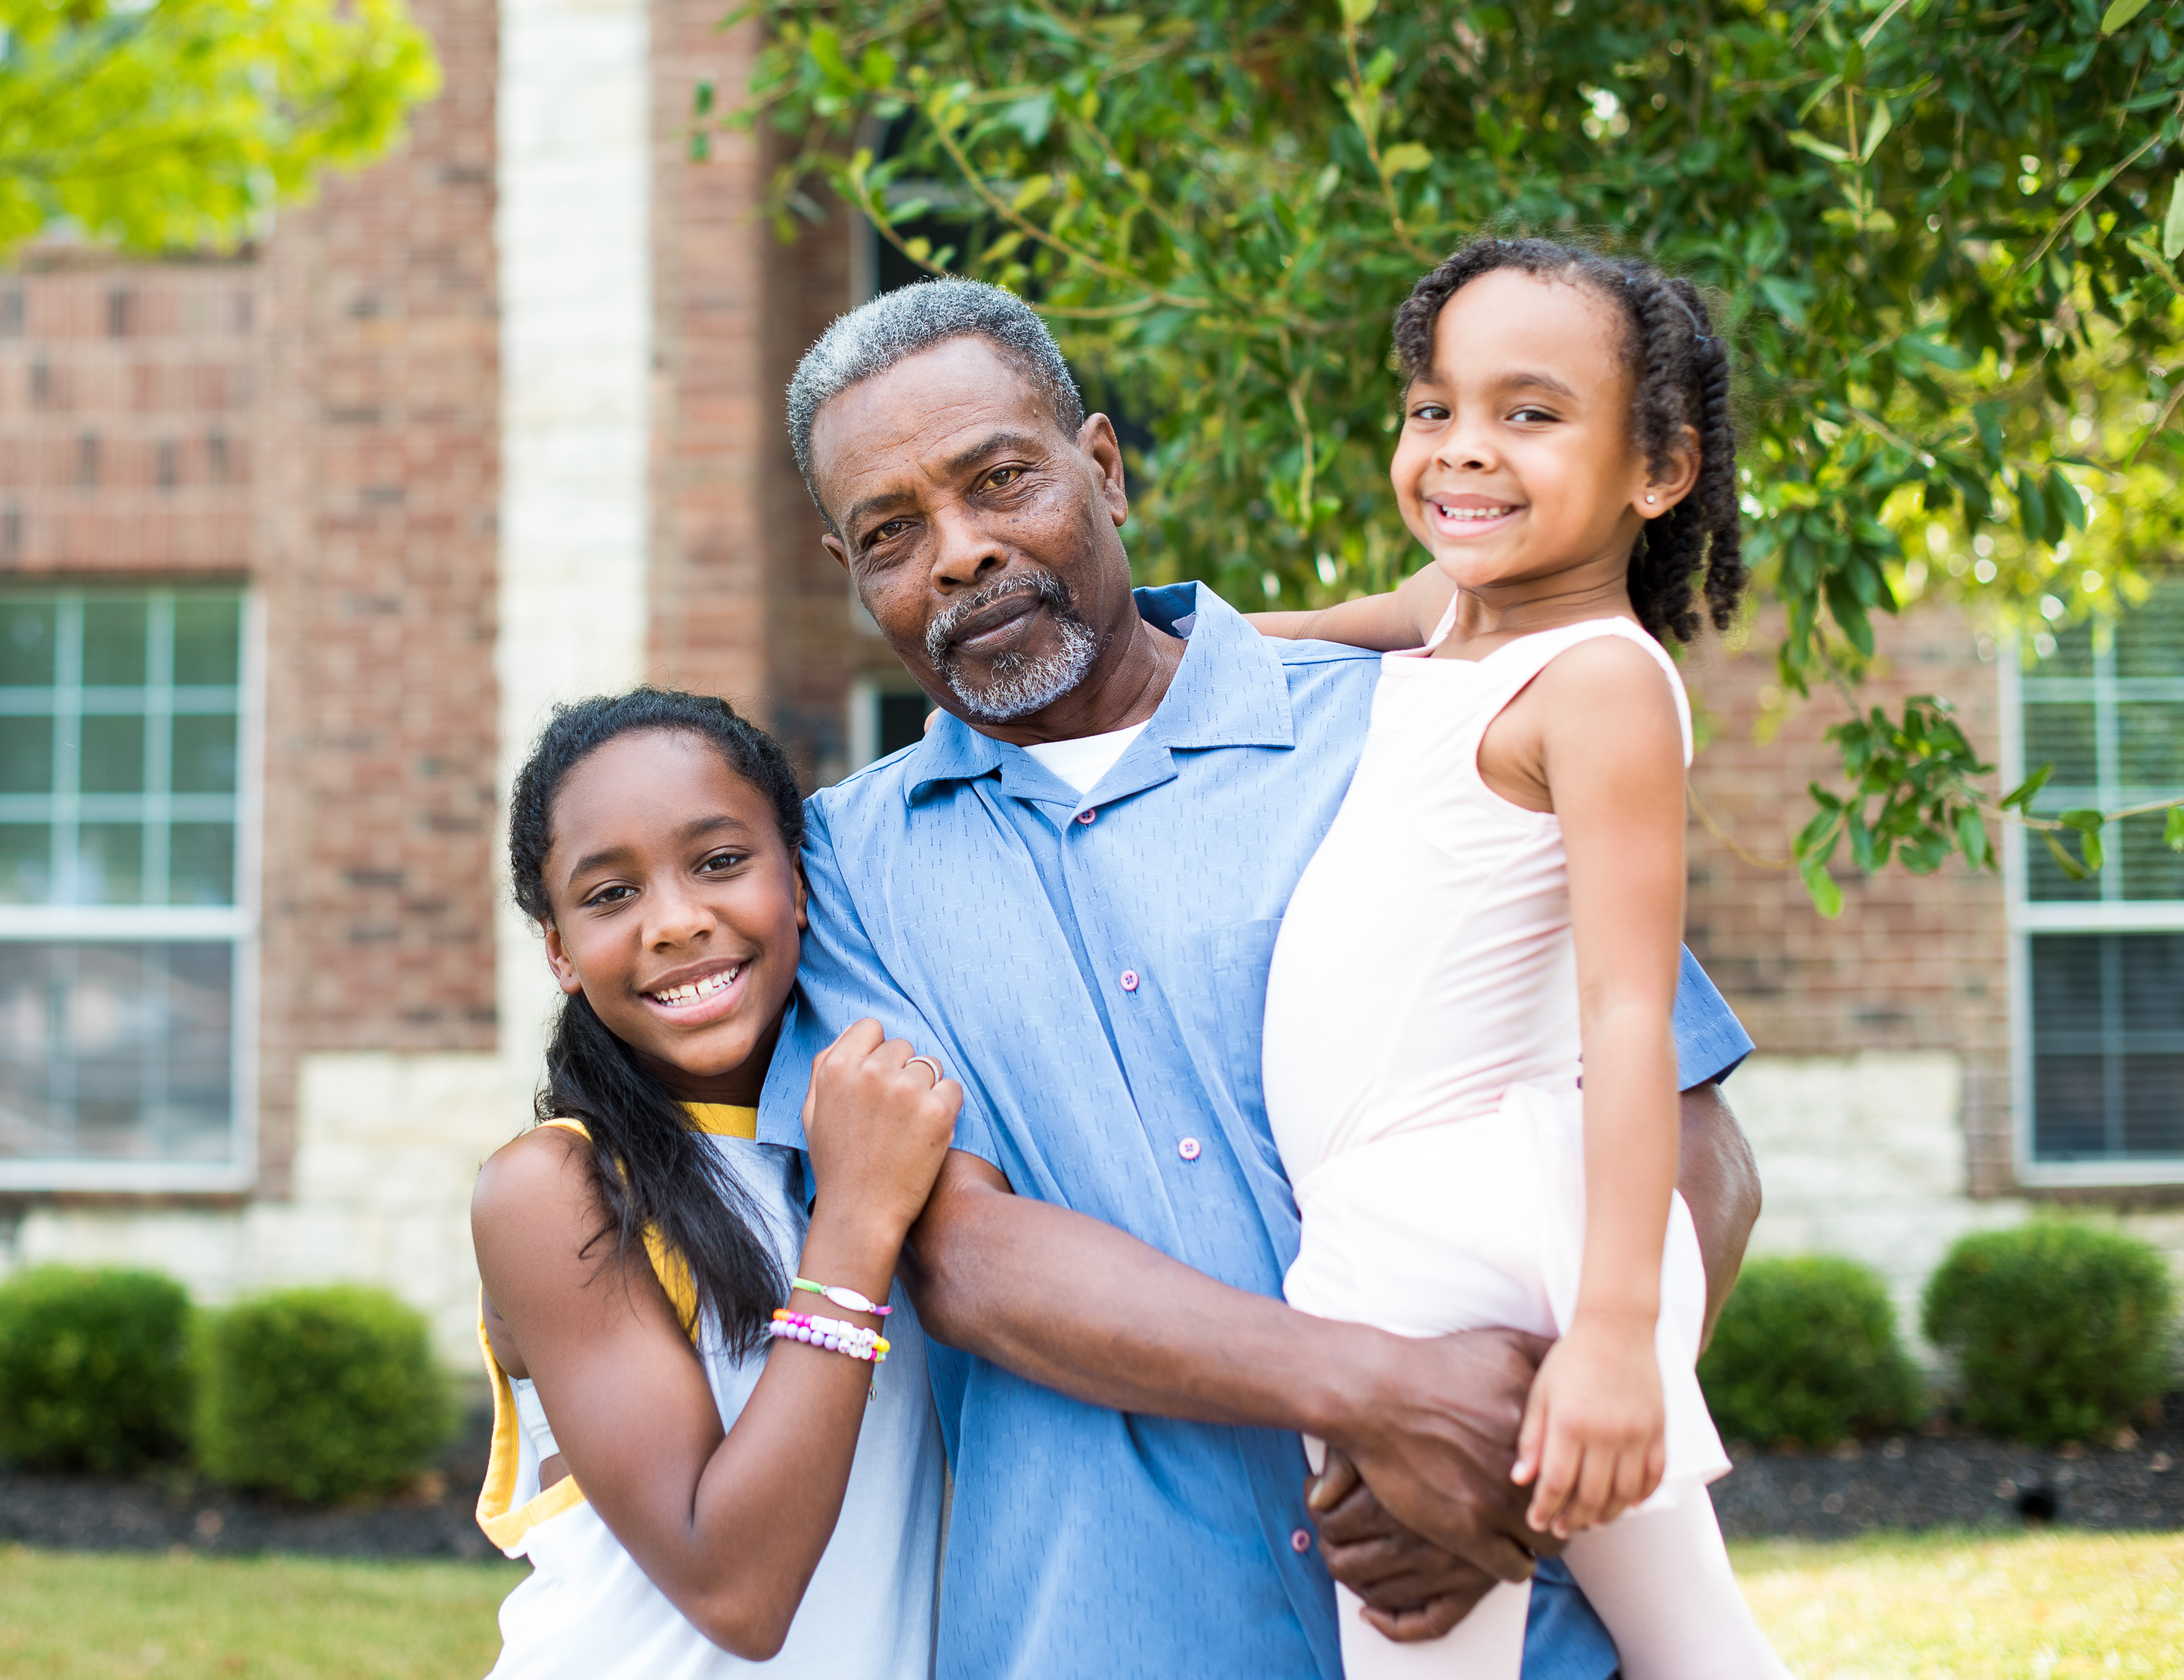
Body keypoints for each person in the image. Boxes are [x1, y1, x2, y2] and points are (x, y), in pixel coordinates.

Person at [762, 276, 1764, 1680]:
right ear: (847, 567)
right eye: (890, 534)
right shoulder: (844, 869)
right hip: (1105, 1637)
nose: (960, 554)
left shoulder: (1416, 725)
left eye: (1002, 482)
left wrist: (1534, 1453)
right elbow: (963, 1258)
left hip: (1510, 1614)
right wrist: (1394, 1397)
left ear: (1102, 469)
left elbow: (1692, 1135)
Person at [1253, 238, 1788, 1679]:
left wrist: (1616, 1338)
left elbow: (1629, 1020)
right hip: (1461, 1211)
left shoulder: (1598, 682)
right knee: (1692, 1636)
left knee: (1424, 1650)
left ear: (1659, 468)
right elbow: (1281, 640)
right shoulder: (1453, 623)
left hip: (1458, 1239)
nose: (1461, 451)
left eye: (1528, 414)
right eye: (1433, 409)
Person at [469, 688, 957, 1679]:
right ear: (559, 949)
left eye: (721, 861)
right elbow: (737, 1587)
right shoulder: (557, 1188)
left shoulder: (864, 1125)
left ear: (801, 883)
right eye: (611, 895)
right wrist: (858, 1220)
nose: (677, 921)